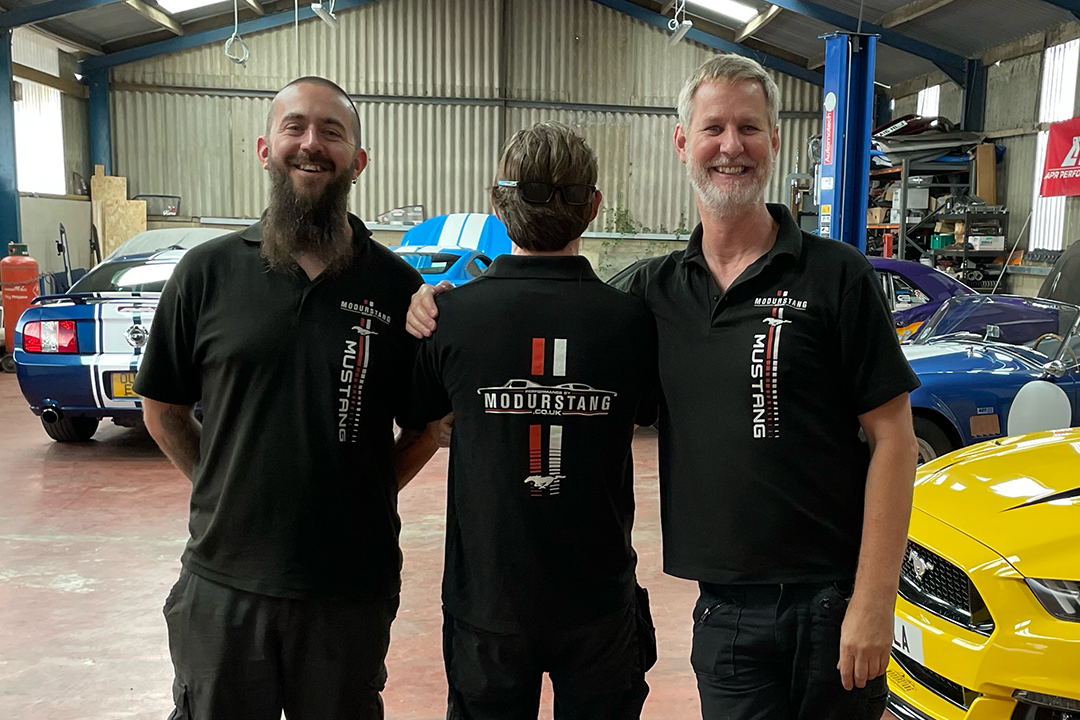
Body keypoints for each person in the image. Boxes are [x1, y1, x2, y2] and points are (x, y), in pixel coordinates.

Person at [407, 56, 920, 720]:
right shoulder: (650, 295)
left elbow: (895, 438)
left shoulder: (836, 276)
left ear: (774, 141)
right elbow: (554, 313)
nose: (731, 146)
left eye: (749, 128)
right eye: (713, 128)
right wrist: (431, 302)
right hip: (724, 614)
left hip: (830, 603)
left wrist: (874, 603)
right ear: (683, 144)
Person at [135, 76, 440, 720]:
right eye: (295, 127)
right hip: (222, 586)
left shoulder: (396, 286)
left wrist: (363, 491)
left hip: (348, 591)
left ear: (358, 160)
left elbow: (425, 428)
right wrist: (220, 483)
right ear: (264, 148)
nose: (312, 143)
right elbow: (160, 407)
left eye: (333, 131)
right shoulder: (207, 272)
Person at [407, 121, 659, 720]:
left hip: (487, 605)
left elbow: (420, 419)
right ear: (594, 206)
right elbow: (646, 412)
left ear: (497, 202)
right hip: (598, 600)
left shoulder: (448, 320)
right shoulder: (632, 324)